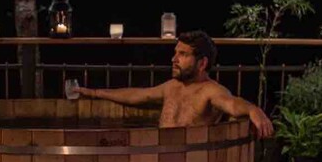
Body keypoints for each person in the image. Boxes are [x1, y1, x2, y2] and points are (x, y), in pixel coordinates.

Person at [75, 30, 275, 138]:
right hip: (159, 155)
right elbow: (138, 95)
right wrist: (95, 93)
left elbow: (231, 103)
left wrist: (252, 109)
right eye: (175, 53)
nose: (174, 59)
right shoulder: (172, 86)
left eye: (183, 54)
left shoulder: (211, 91)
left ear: (202, 63)